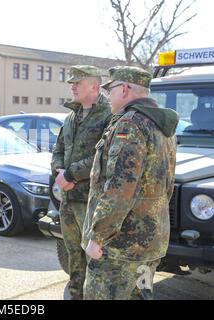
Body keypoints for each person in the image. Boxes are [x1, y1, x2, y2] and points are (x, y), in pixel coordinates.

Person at [82, 66, 179, 300]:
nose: (108, 96)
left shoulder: (130, 124)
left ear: (124, 89)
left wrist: (99, 236)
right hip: (150, 241)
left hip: (120, 247)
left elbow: (119, 189)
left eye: (110, 90)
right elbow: (167, 185)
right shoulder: (161, 125)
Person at [51, 65, 112, 300]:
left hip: (91, 202)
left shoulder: (109, 115)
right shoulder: (71, 117)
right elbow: (58, 149)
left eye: (78, 83)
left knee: (95, 258)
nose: (73, 87)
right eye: (72, 83)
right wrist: (58, 171)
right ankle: (75, 293)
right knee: (73, 254)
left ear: (94, 87)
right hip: (68, 200)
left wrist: (70, 175)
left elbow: (104, 155)